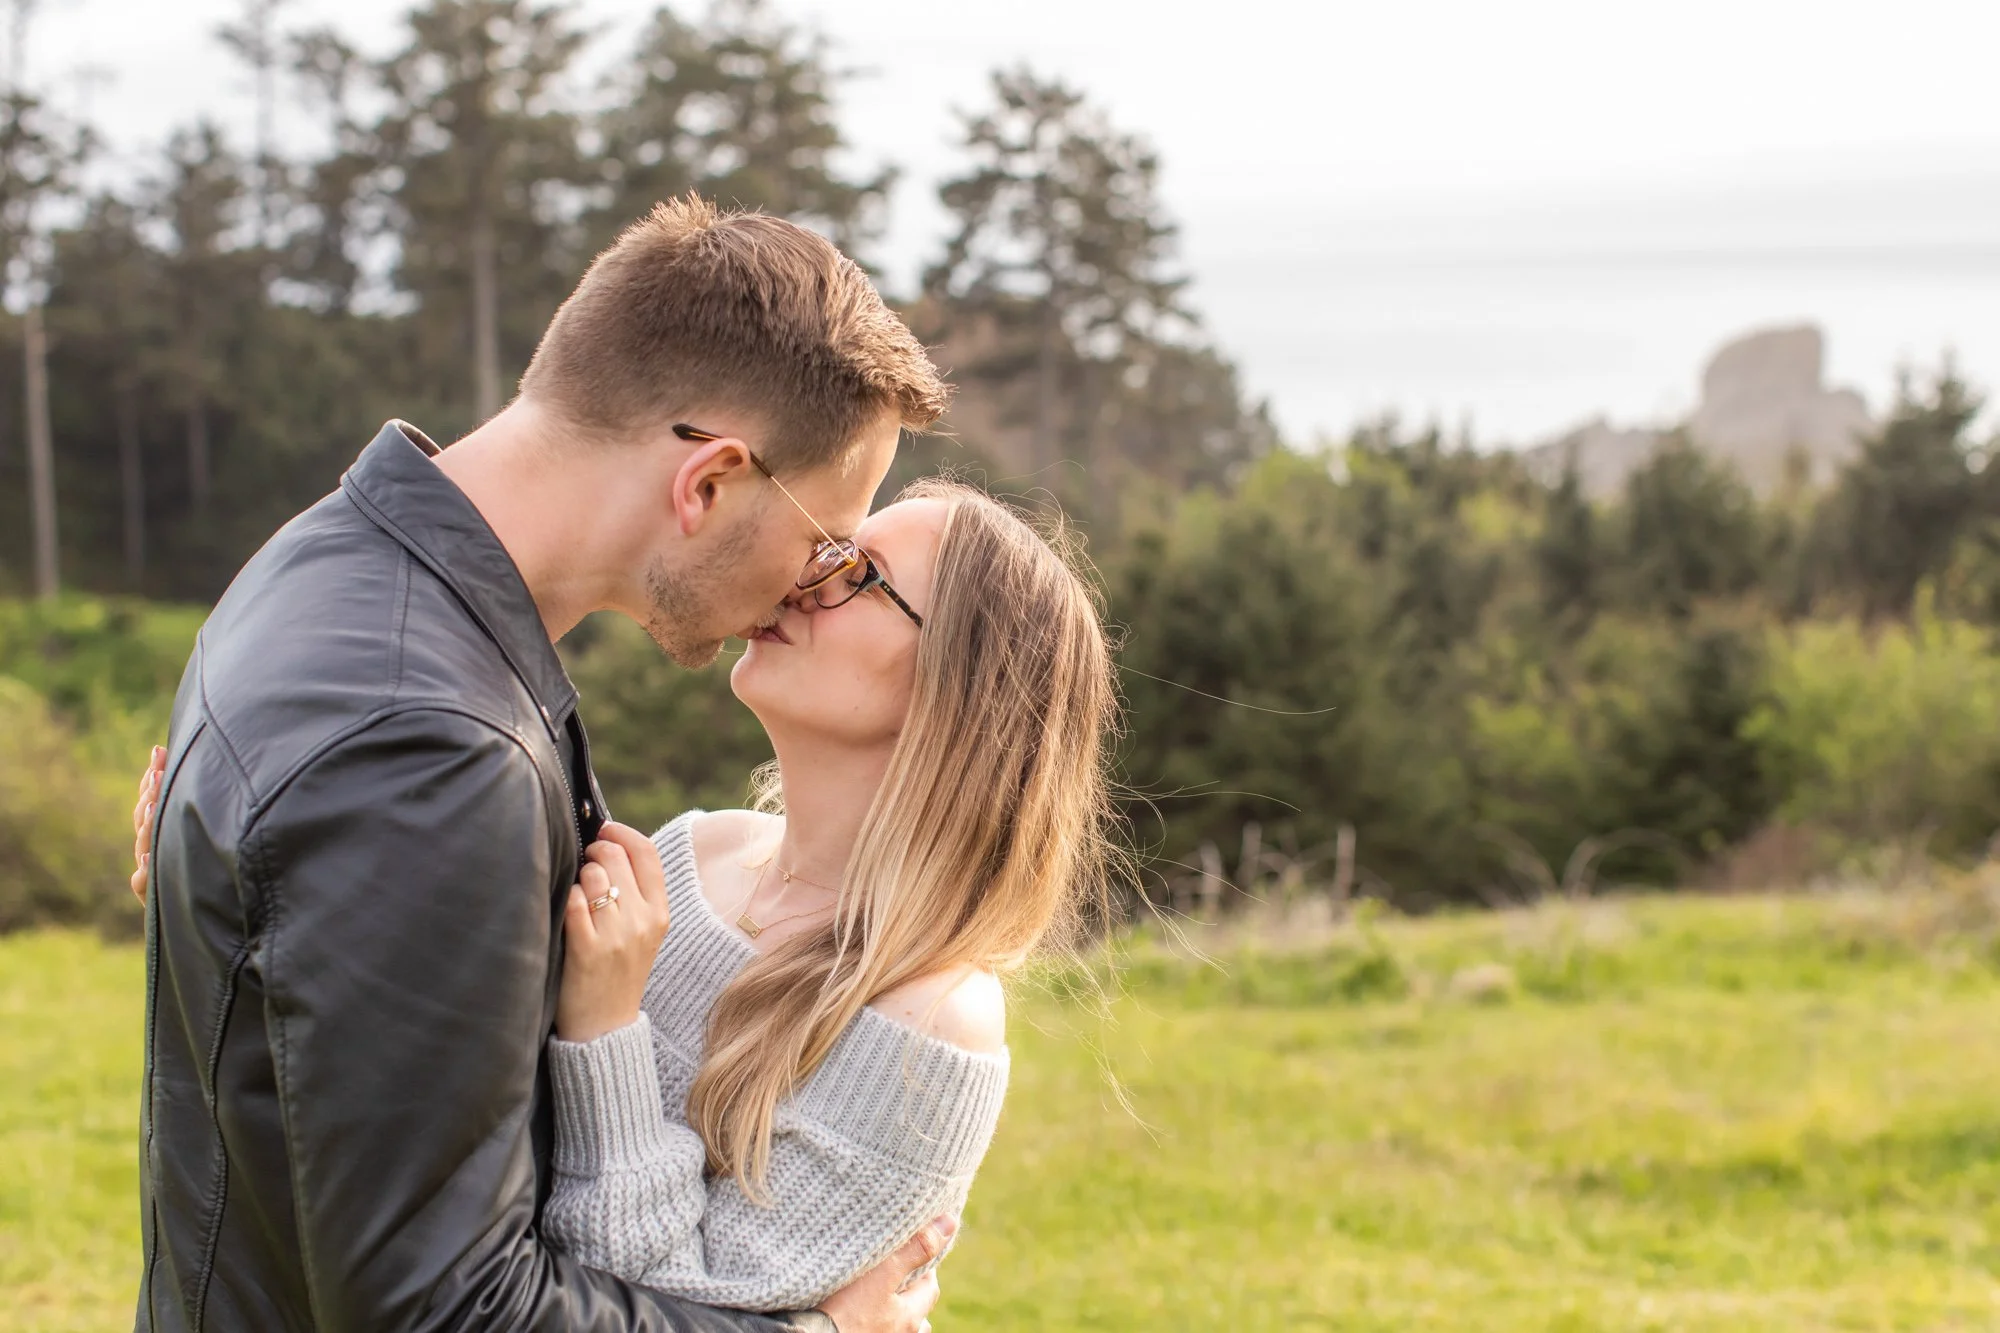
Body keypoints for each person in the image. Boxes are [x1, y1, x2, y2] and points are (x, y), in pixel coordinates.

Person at [131, 196, 957, 1333]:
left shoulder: (323, 560)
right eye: (820, 540)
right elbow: (443, 1310)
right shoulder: (427, 744)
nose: (807, 583)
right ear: (707, 481)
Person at [135, 478, 1120, 1311]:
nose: (799, 576)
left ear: (959, 688)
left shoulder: (930, 1020)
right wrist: (239, 864)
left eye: (856, 574)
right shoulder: (692, 851)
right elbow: (431, 1043)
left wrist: (606, 1029)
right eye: (822, 549)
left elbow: (682, 1313)